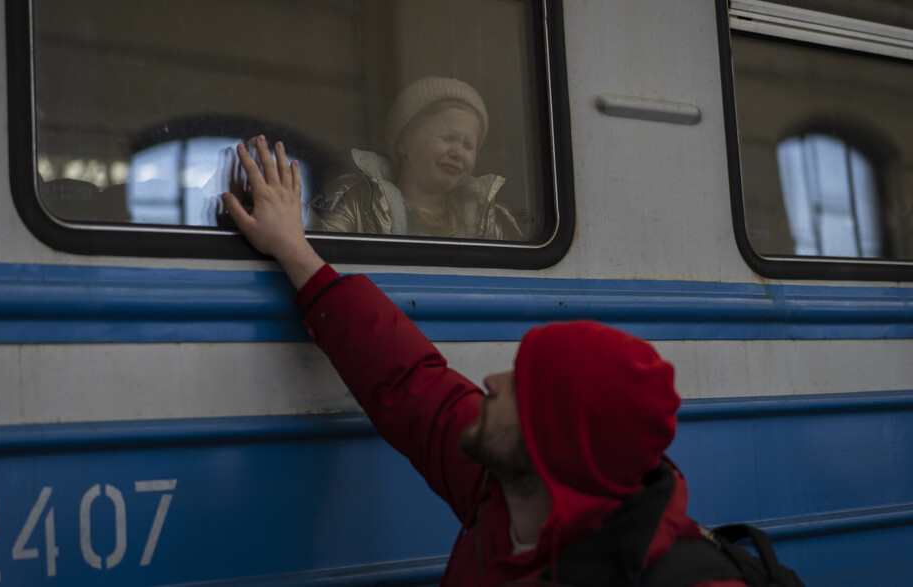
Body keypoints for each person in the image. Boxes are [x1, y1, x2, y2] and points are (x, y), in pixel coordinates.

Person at [220, 138, 799, 586]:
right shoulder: (506, 489)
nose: (491, 383)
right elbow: (405, 377)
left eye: (523, 386)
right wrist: (293, 248)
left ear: (557, 441)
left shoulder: (690, 579)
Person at [312, 76, 523, 240]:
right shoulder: (359, 203)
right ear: (403, 142)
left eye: (469, 145)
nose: (457, 153)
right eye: (447, 138)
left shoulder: (484, 219)